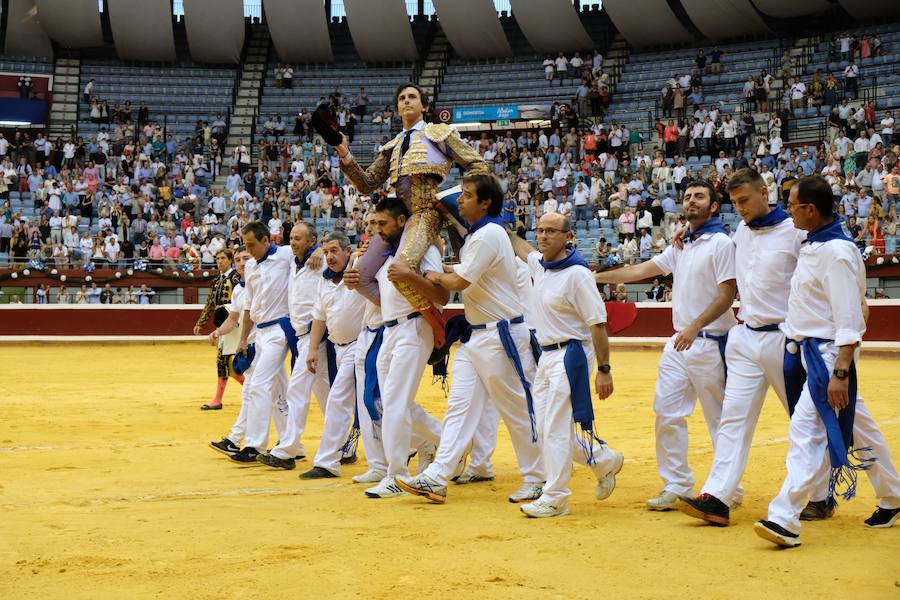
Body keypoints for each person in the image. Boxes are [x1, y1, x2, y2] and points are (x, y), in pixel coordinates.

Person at [755, 176, 900, 547]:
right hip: (811, 351)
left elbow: (850, 319)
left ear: (810, 210)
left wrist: (840, 372)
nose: (788, 211)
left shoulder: (835, 252)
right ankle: (893, 496)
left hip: (827, 357)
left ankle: (784, 518)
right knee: (861, 426)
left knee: (805, 431)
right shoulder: (817, 243)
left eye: (792, 205)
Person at [396, 175, 545, 505]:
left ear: (485, 203)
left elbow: (460, 282)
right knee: (459, 408)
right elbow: (466, 270)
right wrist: (445, 269)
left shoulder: (488, 234)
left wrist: (434, 274)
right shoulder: (482, 235)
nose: (460, 201)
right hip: (478, 335)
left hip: (500, 336)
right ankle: (437, 476)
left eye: (466, 195)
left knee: (518, 411)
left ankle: (541, 477)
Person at [596, 180, 737, 510]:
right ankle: (676, 483)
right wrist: (597, 277)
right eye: (687, 197)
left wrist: (694, 327)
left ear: (714, 206)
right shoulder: (681, 245)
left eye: (699, 196)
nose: (691, 201)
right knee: (667, 412)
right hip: (679, 342)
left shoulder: (721, 243)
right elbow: (641, 269)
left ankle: (727, 489)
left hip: (710, 341)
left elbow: (727, 295)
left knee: (720, 420)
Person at [335, 83, 489, 348]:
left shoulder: (438, 133)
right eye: (402, 98)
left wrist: (460, 196)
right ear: (397, 107)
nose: (406, 101)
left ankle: (436, 327)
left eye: (412, 97)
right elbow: (367, 183)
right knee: (359, 278)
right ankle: (402, 318)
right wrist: (345, 154)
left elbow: (478, 164)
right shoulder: (393, 145)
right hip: (397, 219)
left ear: (423, 105)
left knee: (402, 269)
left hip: (426, 214)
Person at [503, 212, 623, 517]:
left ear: (568, 237)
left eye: (551, 231)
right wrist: (499, 226)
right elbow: (522, 248)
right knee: (546, 428)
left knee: (555, 427)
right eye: (540, 230)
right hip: (547, 354)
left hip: (571, 354)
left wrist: (604, 370)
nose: (543, 236)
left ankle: (555, 497)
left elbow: (598, 324)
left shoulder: (578, 274)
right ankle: (603, 460)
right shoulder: (540, 265)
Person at [347, 198, 447, 497]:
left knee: (395, 403)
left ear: (402, 221)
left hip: (413, 326)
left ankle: (397, 474)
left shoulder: (424, 251)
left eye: (383, 223)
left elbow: (441, 295)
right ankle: (451, 441)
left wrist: (410, 276)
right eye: (374, 223)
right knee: (392, 401)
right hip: (390, 329)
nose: (376, 229)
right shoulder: (386, 254)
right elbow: (384, 295)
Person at [255, 222, 331, 469]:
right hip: (301, 336)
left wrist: (321, 249)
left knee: (297, 391)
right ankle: (341, 445)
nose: (293, 242)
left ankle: (287, 451)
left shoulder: (321, 261)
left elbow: (343, 253)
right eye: (291, 238)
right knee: (327, 394)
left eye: (299, 238)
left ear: (311, 240)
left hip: (315, 335)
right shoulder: (291, 260)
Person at [298, 231, 366, 479]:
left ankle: (327, 461)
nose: (329, 256)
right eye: (326, 252)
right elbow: (320, 317)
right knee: (374, 405)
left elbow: (364, 253)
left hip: (361, 343)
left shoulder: (359, 268)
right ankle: (423, 442)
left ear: (348, 251)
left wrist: (358, 255)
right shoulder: (324, 281)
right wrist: (312, 349)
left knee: (338, 399)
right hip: (338, 347)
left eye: (334, 251)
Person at [228, 222, 293, 463]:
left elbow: (309, 249)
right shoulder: (251, 266)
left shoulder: (285, 254)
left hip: (279, 329)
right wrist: (243, 339)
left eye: (252, 245)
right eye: (245, 246)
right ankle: (292, 444)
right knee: (278, 391)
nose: (249, 251)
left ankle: (255, 445)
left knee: (258, 384)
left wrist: (317, 251)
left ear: (266, 240)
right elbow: (248, 306)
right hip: (260, 332)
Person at [193, 249, 243, 410]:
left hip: (236, 323)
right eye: (217, 258)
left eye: (223, 258)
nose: (219, 261)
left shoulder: (236, 278)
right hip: (223, 325)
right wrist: (201, 322)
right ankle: (251, 391)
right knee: (225, 363)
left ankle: (220, 399)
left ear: (230, 260)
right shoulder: (217, 280)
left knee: (229, 361)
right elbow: (210, 303)